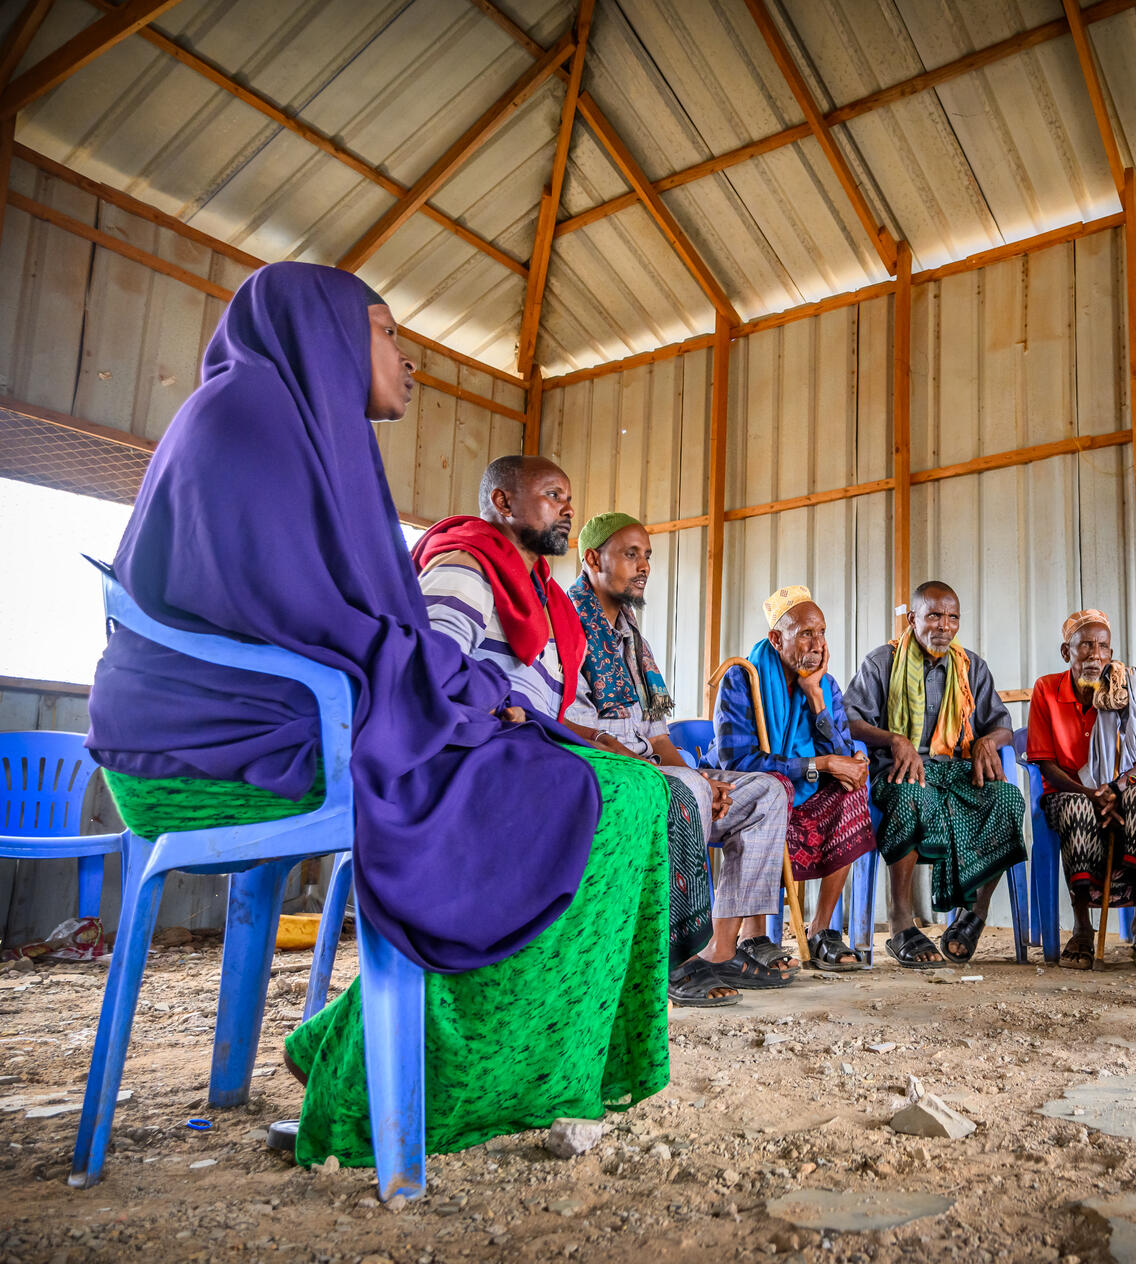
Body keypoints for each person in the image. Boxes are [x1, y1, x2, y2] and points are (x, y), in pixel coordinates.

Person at [85, 262, 672, 1168]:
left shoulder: (299, 430)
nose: (410, 359)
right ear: (322, 332)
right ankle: (393, 1091)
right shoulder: (244, 423)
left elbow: (343, 624)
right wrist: (467, 694)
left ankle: (358, 1050)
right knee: (598, 799)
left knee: (616, 786)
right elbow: (313, 621)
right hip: (226, 742)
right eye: (389, 333)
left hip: (290, 715)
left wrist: (463, 695)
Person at [412, 462, 730, 1008]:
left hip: (530, 741)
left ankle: (623, 956)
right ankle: (638, 956)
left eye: (569, 497)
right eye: (553, 495)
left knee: (662, 788)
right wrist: (522, 714)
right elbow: (430, 669)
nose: (567, 508)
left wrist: (559, 731)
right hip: (474, 751)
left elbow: (549, 706)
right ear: (504, 503)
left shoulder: (542, 599)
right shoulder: (467, 565)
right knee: (654, 791)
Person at [567, 511, 795, 999]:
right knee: (687, 785)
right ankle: (677, 957)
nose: (643, 565)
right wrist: (684, 779)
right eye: (630, 554)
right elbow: (567, 722)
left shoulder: (633, 640)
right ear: (591, 558)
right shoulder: (567, 627)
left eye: (647, 555)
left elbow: (661, 736)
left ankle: (724, 949)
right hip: (603, 770)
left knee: (768, 791)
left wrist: (705, 781)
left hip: (651, 767)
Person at [843, 581, 1025, 967]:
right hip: (898, 771)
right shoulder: (881, 663)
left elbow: (1003, 726)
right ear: (913, 619)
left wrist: (985, 743)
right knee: (913, 794)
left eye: (952, 617)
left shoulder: (970, 666)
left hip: (955, 769)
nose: (944, 625)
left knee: (1007, 798)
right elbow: (851, 722)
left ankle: (972, 916)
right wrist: (894, 739)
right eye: (934, 615)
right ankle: (900, 924)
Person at [712, 587, 879, 967]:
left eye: (822, 633)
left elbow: (841, 750)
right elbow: (738, 760)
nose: (818, 643)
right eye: (806, 633)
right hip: (751, 792)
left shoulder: (826, 685)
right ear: (777, 638)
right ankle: (754, 937)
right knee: (769, 792)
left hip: (805, 795)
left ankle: (821, 930)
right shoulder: (743, 678)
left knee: (851, 790)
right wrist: (820, 765)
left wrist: (816, 696)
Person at [1024, 610, 1136, 970]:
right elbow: (1045, 763)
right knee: (1076, 808)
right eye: (1085, 644)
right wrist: (1090, 794)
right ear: (1065, 652)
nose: (1095, 654)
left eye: (1103, 646)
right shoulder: (1046, 689)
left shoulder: (1127, 689)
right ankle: (1083, 928)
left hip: (1115, 790)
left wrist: (1117, 789)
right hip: (1068, 792)